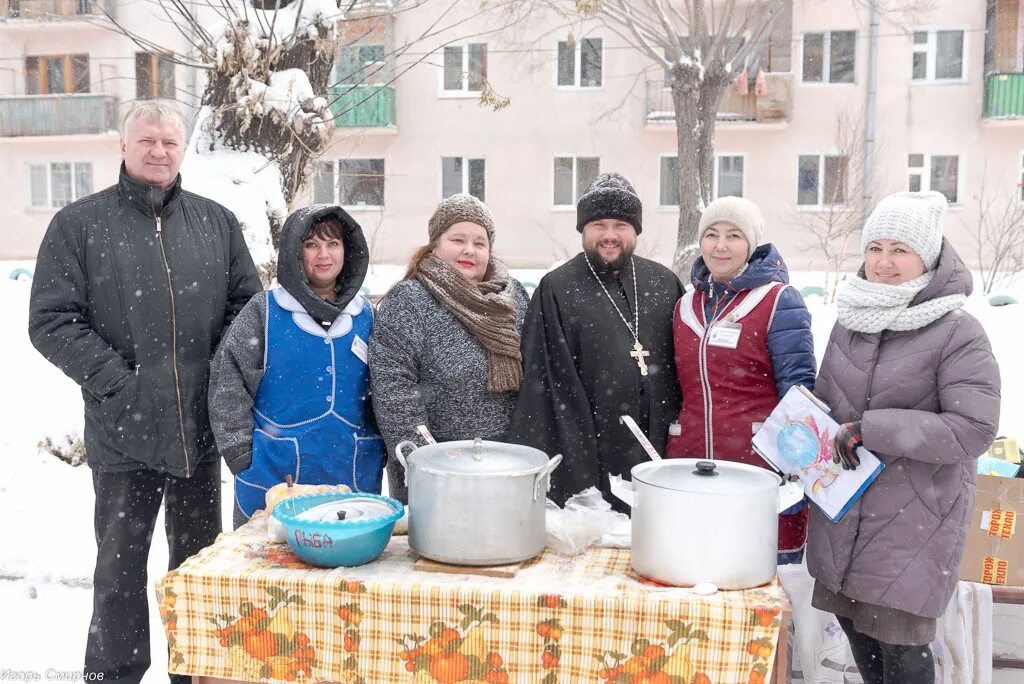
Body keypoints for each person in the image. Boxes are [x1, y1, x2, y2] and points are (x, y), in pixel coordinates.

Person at [27, 102, 261, 684]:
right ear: (124, 147)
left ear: (183, 150)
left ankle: (196, 672)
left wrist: (215, 383)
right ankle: (114, 673)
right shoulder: (79, 225)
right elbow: (52, 320)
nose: (159, 151)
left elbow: (248, 310)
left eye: (170, 142)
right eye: (148, 140)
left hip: (198, 433)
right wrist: (120, 388)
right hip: (124, 433)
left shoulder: (216, 222)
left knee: (197, 571)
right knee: (120, 572)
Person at [808, 191, 1000, 684]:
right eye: (875, 247)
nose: (884, 263)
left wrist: (874, 429)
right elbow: (830, 405)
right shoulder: (851, 320)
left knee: (901, 653)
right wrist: (801, 429)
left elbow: (972, 429)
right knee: (859, 637)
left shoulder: (958, 330)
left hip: (915, 518)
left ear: (928, 259)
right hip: (846, 508)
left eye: (900, 250)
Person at [508, 172, 683, 509]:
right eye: (598, 225)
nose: (610, 235)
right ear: (582, 230)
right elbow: (543, 388)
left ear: (636, 230)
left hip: (659, 451)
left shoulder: (664, 284)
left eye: (620, 225)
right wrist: (574, 465)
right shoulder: (556, 289)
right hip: (588, 455)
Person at [210, 205, 384, 527]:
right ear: (294, 250)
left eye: (333, 244)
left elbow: (386, 390)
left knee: (346, 570)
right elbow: (229, 383)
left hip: (351, 471)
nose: (323, 254)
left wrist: (379, 448)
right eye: (311, 244)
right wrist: (241, 455)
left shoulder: (367, 316)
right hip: (273, 475)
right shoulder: (265, 312)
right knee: (270, 569)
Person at [666, 196, 816, 562]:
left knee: (759, 580)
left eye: (734, 235)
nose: (720, 245)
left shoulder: (779, 301)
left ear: (751, 244)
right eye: (712, 234)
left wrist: (793, 468)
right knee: (695, 571)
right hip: (691, 469)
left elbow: (800, 391)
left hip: (757, 470)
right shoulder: (685, 306)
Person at [369, 193, 529, 502]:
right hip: (437, 469)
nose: (470, 250)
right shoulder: (410, 300)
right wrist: (427, 462)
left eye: (480, 243)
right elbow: (394, 390)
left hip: (505, 464)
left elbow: (535, 376)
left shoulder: (514, 298)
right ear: (436, 245)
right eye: (458, 239)